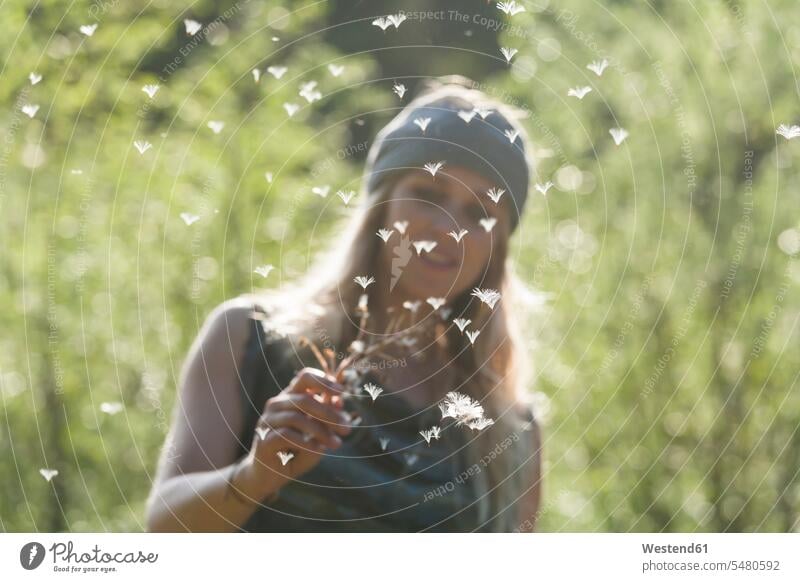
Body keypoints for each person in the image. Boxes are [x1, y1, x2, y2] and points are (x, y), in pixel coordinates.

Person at [145, 76, 543, 532]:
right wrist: (255, 477)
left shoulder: (510, 428)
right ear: (381, 205)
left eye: (480, 213)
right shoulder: (250, 338)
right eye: (428, 195)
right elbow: (164, 527)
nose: (449, 227)